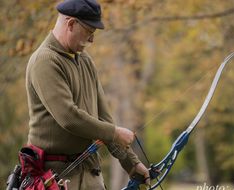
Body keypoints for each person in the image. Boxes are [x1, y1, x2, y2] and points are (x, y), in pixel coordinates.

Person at [25, 0, 149, 189]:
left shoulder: (85, 61)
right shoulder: (45, 61)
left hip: (92, 175)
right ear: (71, 24)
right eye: (89, 32)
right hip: (56, 179)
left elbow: (103, 116)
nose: (91, 40)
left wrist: (131, 163)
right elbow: (69, 117)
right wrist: (115, 132)